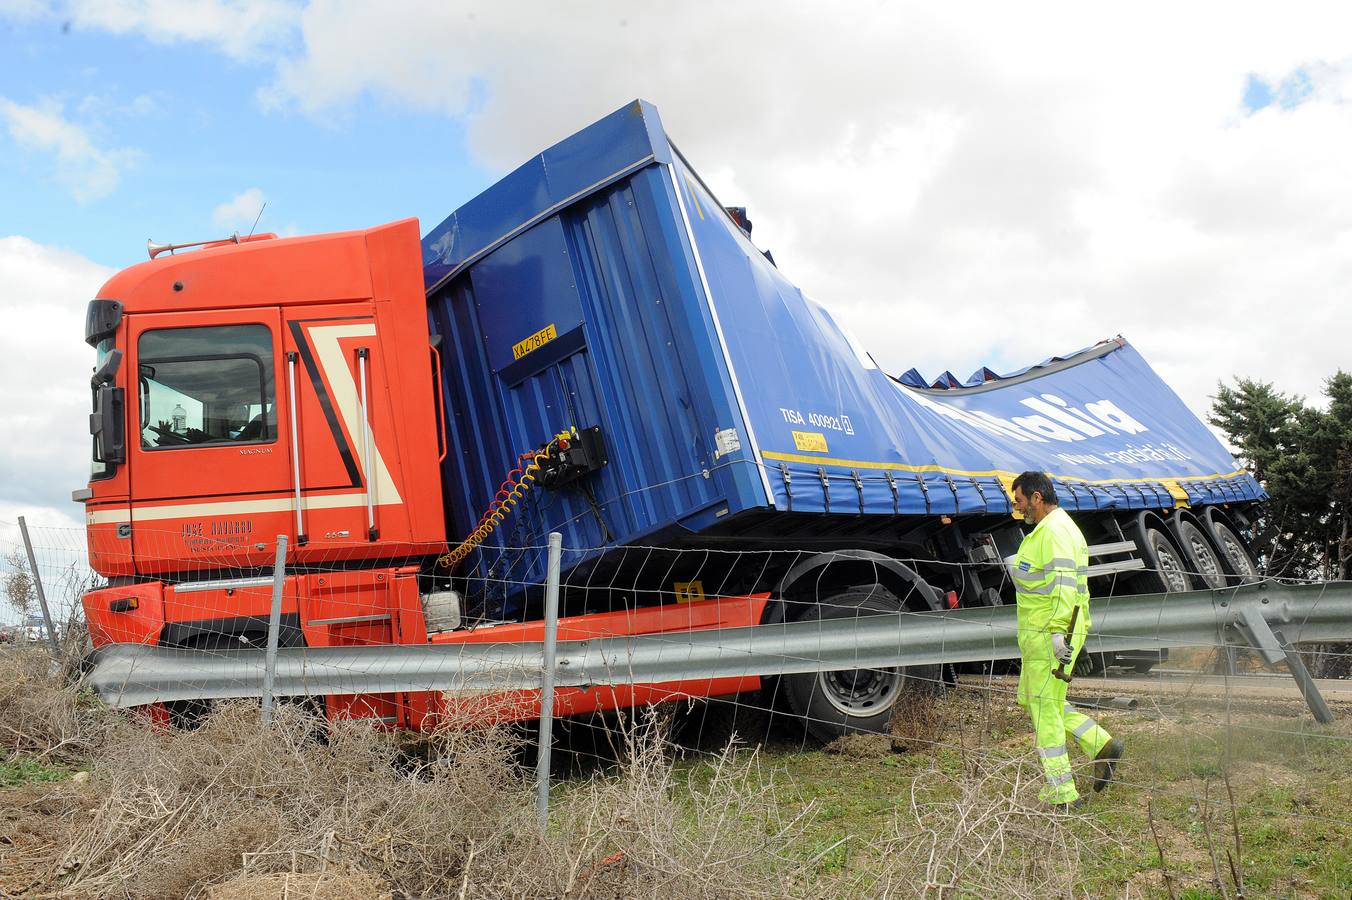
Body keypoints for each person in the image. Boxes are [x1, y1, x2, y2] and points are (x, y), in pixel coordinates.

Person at [1010, 471, 1125, 810]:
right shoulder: (1052, 530)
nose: (1018, 509)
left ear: (1036, 497)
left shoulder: (1055, 532)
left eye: (1020, 501)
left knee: (1045, 710)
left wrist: (1060, 632)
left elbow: (1063, 588)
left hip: (1050, 635)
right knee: (1041, 702)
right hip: (1042, 634)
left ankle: (1062, 793)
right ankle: (1100, 744)